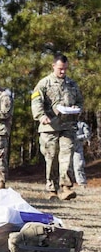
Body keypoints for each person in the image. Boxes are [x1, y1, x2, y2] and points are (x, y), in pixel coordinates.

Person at [31, 54, 84, 200]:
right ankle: (52, 190)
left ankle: (66, 187)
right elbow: (36, 101)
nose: (63, 72)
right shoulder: (44, 83)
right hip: (50, 127)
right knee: (51, 157)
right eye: (60, 69)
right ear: (53, 66)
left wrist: (76, 108)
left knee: (67, 156)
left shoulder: (72, 84)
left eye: (65, 69)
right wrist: (41, 116)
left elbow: (80, 101)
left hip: (68, 126)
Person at [72, 120, 90, 189]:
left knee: (79, 166)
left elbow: (87, 135)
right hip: (66, 148)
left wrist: (77, 137)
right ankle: (65, 185)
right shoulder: (64, 123)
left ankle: (82, 184)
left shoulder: (82, 125)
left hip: (78, 148)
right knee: (65, 166)